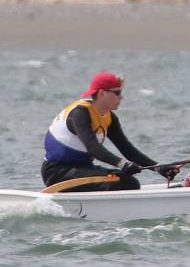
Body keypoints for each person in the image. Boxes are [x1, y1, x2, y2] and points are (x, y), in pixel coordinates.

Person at [41, 71, 179, 193]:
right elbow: (93, 148)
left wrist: (158, 167)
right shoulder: (80, 114)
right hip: (57, 173)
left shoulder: (109, 117)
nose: (121, 97)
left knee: (128, 181)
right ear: (102, 93)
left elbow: (126, 149)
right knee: (125, 183)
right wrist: (122, 164)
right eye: (117, 93)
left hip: (82, 169)